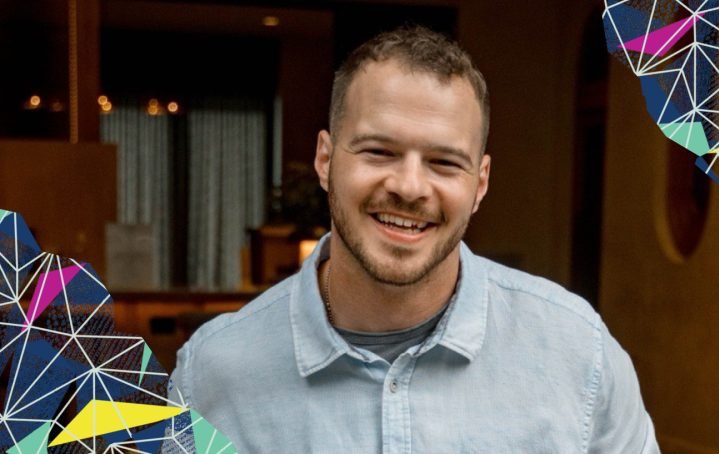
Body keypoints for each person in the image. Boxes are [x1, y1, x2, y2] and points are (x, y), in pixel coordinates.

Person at [169, 25, 659, 453]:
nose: (409, 186)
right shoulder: (213, 377)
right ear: (325, 159)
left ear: (480, 183)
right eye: (379, 151)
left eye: (444, 162)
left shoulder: (579, 356)